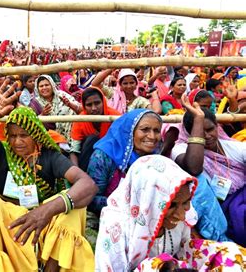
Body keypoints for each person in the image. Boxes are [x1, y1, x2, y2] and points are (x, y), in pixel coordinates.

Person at [0, 81, 98, 271]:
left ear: (35, 134)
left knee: (76, 206)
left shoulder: (50, 156)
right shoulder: (1, 150)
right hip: (9, 225)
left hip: (42, 225)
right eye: (12, 135)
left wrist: (45, 211)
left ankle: (49, 267)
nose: (17, 141)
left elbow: (88, 184)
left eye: (24, 135)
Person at [95, 155, 245, 271]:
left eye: (185, 203)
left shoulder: (182, 216)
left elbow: (183, 249)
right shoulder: (116, 225)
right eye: (171, 205)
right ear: (148, 200)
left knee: (231, 253)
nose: (181, 215)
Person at [171, 100, 245, 246]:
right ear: (189, 132)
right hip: (214, 210)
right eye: (199, 130)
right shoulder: (180, 149)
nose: (207, 136)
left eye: (210, 129)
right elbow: (194, 167)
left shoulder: (232, 146)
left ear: (217, 127)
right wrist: (197, 120)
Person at [87, 109, 162, 214]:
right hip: (107, 215)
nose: (152, 136)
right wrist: (129, 205)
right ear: (130, 131)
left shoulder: (155, 159)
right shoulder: (103, 156)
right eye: (145, 129)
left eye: (156, 131)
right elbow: (92, 198)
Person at [69, 87, 120, 168]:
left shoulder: (115, 116)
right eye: (89, 105)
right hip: (87, 160)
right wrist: (77, 171)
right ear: (84, 106)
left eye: (97, 103)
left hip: (112, 158)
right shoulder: (80, 119)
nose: (94, 108)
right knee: (91, 139)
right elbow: (74, 150)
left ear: (103, 102)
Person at [29, 74, 81, 147]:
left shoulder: (62, 95)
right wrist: (42, 115)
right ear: (37, 89)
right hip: (48, 141)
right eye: (41, 86)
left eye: (47, 85)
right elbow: (30, 123)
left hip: (71, 137)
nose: (44, 88)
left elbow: (80, 109)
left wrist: (69, 104)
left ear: (52, 85)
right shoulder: (35, 103)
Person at [92, 69, 162, 114]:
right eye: (125, 83)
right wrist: (112, 68)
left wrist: (155, 96)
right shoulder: (113, 94)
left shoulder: (140, 101)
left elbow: (155, 112)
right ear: (120, 85)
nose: (129, 86)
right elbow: (95, 83)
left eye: (132, 83)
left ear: (136, 84)